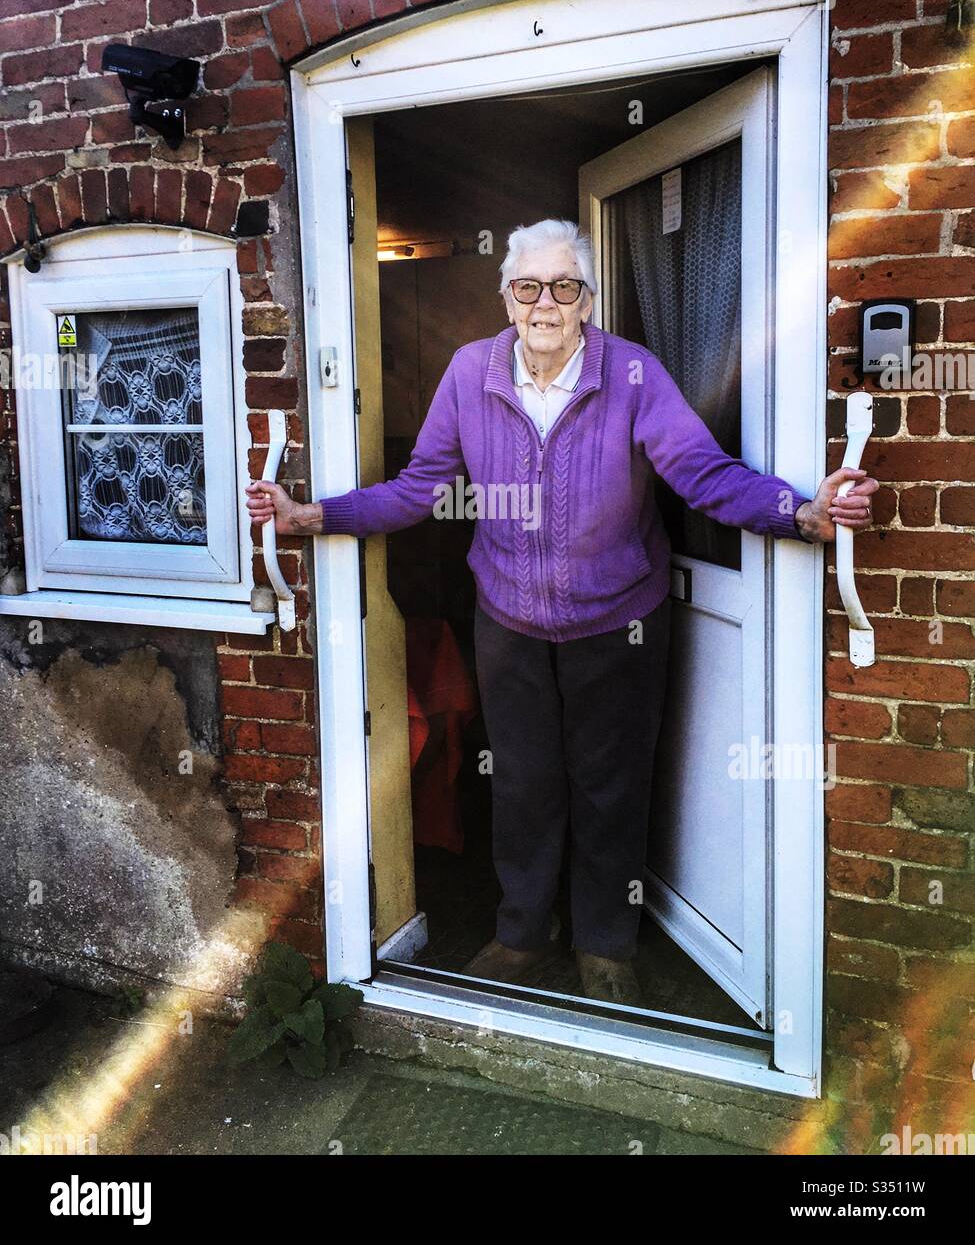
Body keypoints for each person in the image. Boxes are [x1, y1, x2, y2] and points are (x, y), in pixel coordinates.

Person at [246, 218, 878, 1005]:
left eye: (563, 286)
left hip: (619, 620)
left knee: (609, 784)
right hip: (506, 618)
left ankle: (605, 942)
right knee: (520, 782)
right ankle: (520, 933)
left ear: (585, 299)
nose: (545, 302)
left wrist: (800, 515)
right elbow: (418, 488)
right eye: (527, 287)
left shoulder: (633, 374)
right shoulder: (469, 372)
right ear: (506, 298)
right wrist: (309, 517)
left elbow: (702, 473)